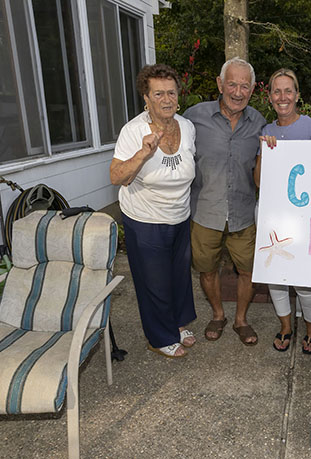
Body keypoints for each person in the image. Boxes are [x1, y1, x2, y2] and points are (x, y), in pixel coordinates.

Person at [110, 64, 197, 358]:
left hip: (179, 215)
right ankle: (159, 338)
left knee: (179, 276)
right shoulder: (133, 131)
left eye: (171, 92)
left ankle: (177, 324)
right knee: (154, 281)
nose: (166, 99)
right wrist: (143, 154)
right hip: (145, 219)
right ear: (146, 98)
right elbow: (116, 176)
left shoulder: (187, 127)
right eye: (158, 93)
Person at [183, 58, 266, 346]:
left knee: (249, 270)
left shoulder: (259, 123)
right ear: (220, 84)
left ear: (252, 90)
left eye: (245, 86)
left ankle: (241, 319)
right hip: (206, 211)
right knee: (207, 269)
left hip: (243, 213)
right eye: (232, 84)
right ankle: (218, 315)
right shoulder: (194, 118)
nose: (238, 92)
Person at [254, 68, 311, 354]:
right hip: (272, 215)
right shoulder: (267, 131)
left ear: (297, 95)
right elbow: (259, 182)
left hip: (304, 216)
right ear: (269, 97)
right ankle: (285, 327)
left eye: (288, 91)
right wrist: (265, 153)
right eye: (276, 91)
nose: (282, 97)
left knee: (305, 278)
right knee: (276, 275)